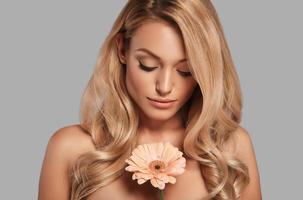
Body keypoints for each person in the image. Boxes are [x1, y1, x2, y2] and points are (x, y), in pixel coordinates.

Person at [38, 0, 262, 199]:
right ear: (122, 50)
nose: (164, 87)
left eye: (185, 71)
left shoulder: (231, 148)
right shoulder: (69, 149)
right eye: (148, 65)